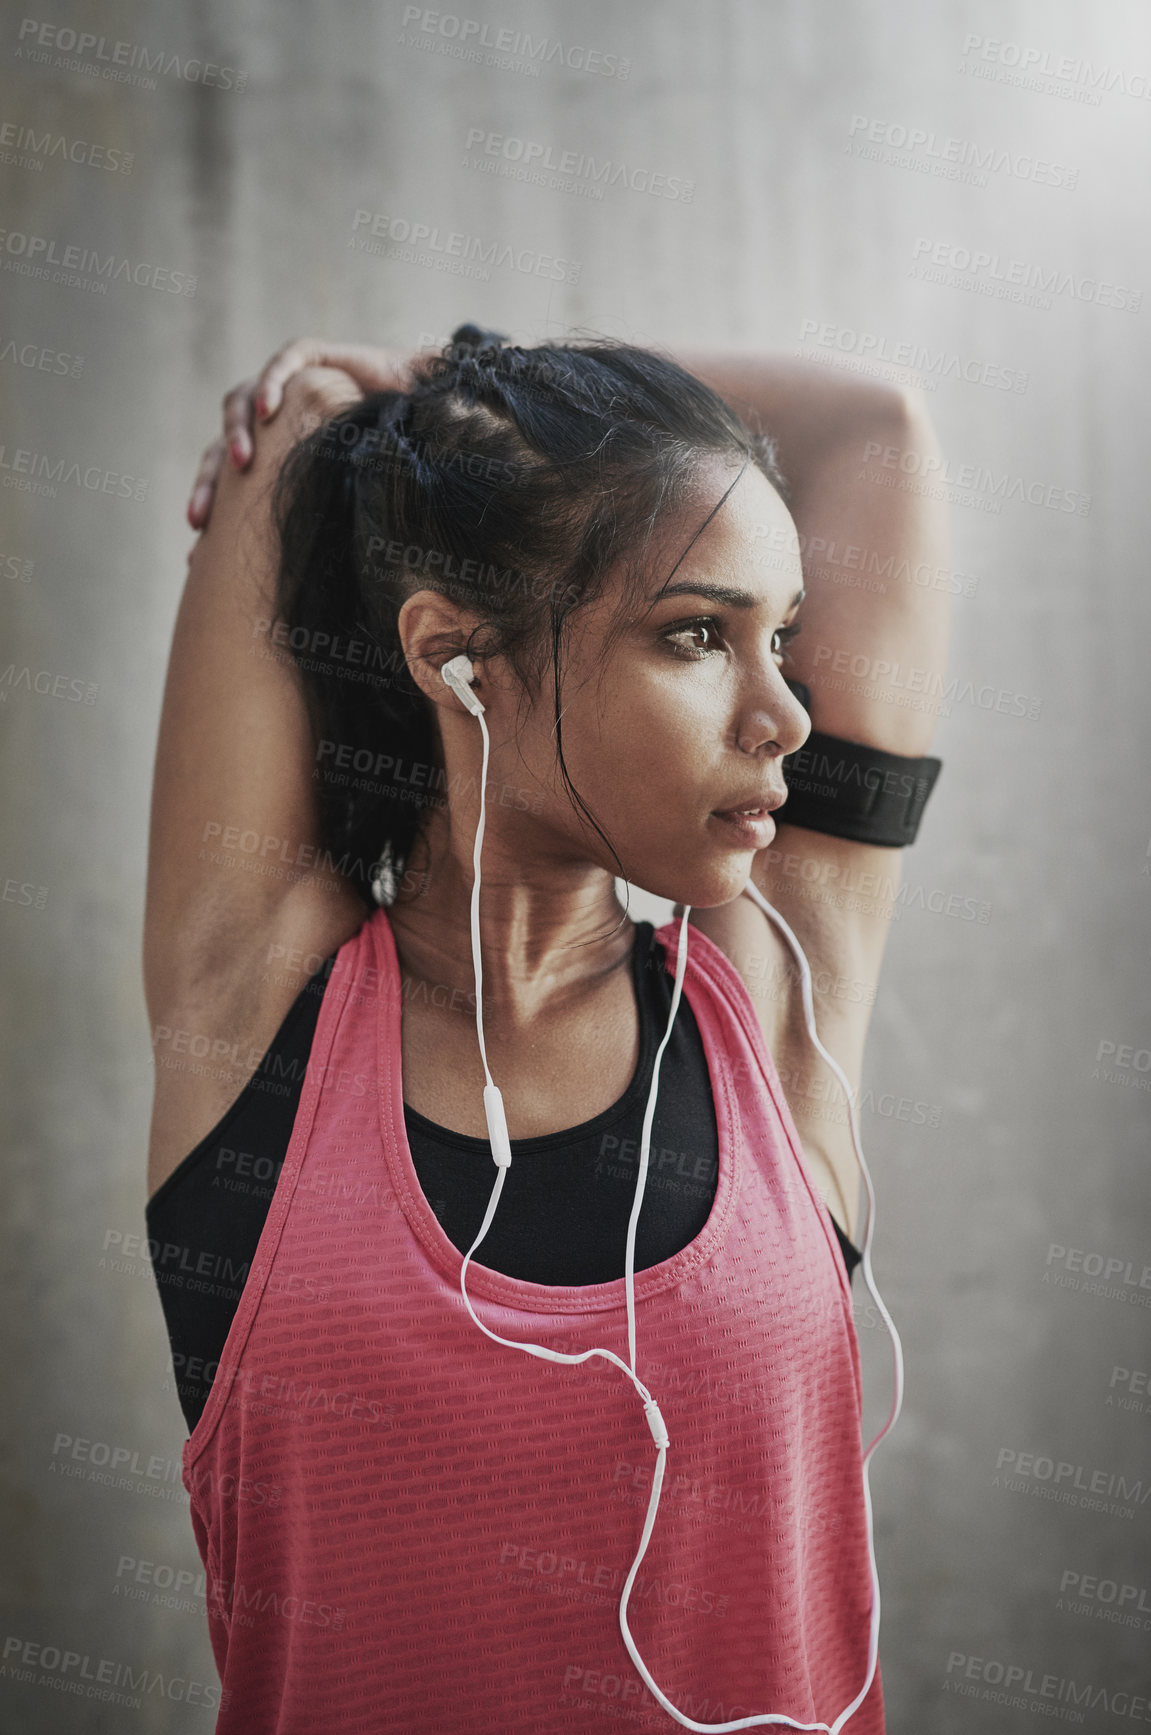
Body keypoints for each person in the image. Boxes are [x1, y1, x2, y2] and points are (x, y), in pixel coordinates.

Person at [143, 325, 949, 1733]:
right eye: (698, 635)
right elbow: (304, 424)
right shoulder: (257, 1011)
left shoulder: (775, 996)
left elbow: (877, 425)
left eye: (784, 637)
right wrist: (415, 419)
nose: (782, 715)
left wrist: (454, 373)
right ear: (458, 658)